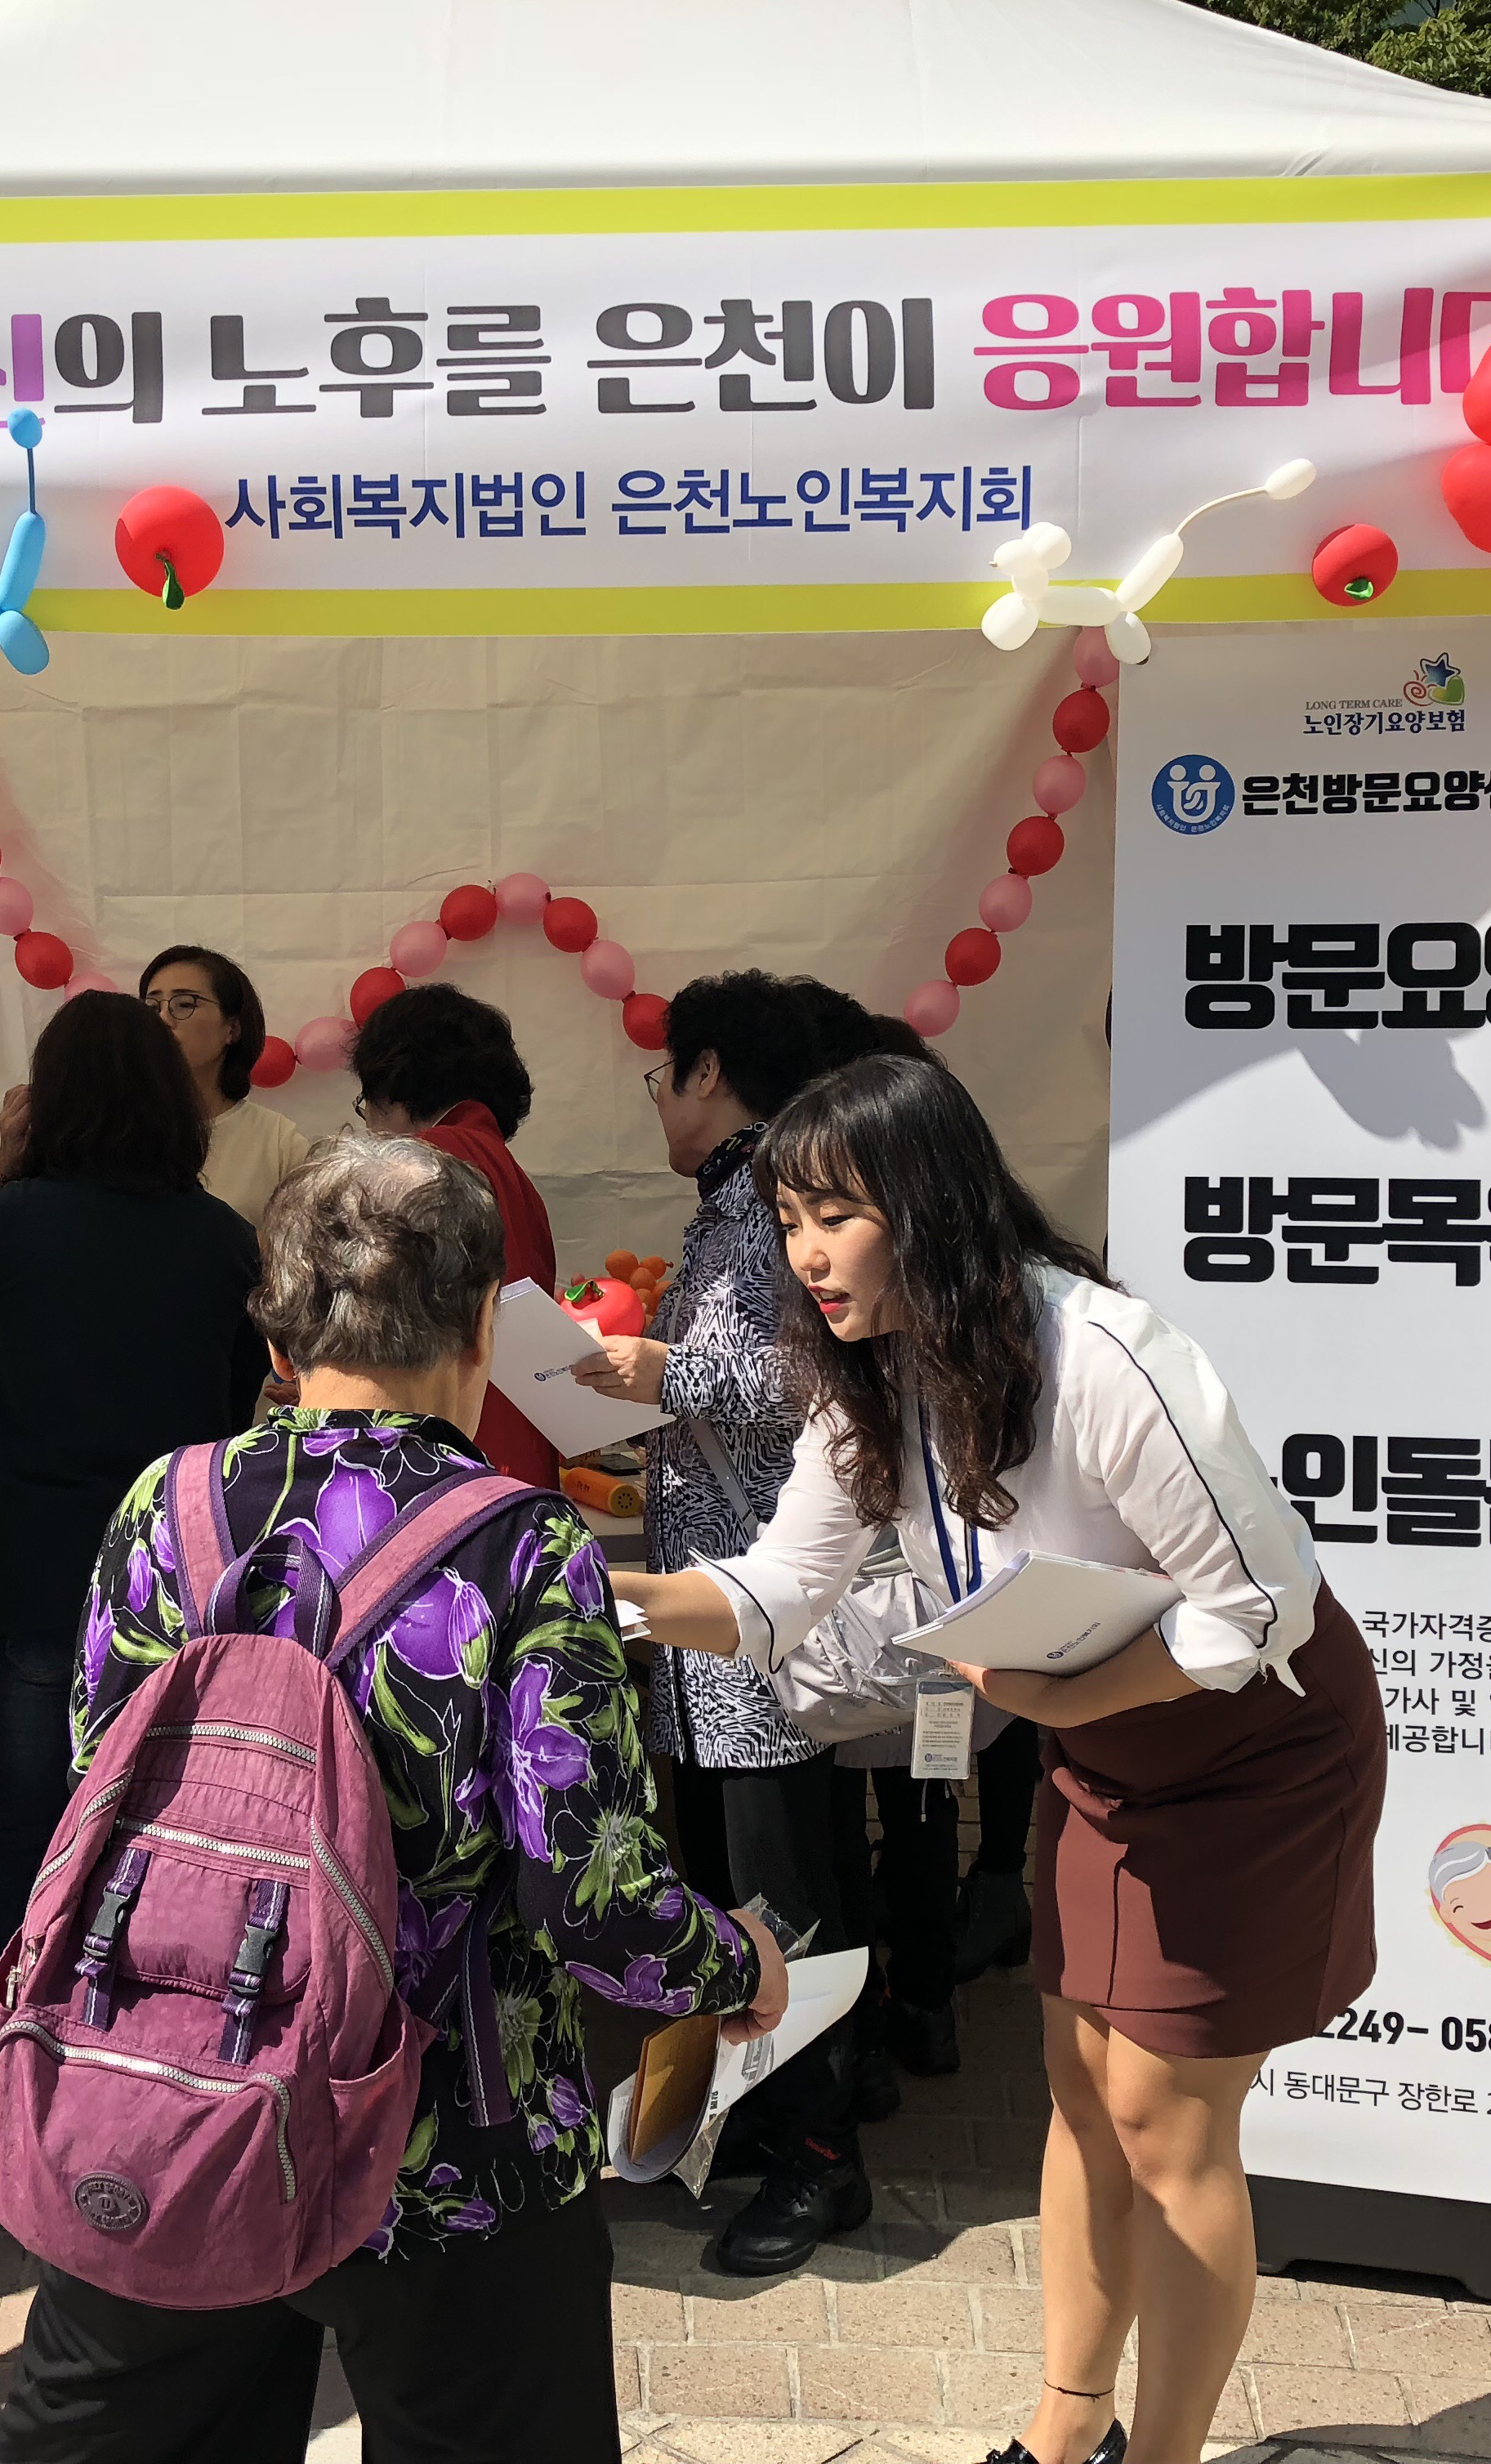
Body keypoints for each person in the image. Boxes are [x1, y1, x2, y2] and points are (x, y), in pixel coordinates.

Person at [614, 1056, 1386, 2464]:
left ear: (927, 1204)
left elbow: (1259, 1609)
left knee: (1165, 2120)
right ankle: (1063, 2430)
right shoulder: (865, 1371)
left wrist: (1050, 1693)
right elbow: (778, 1586)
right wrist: (590, 1596)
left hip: (1256, 1748)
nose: (805, 1255)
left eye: (834, 1216)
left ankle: (1162, 2454)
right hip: (1099, 1737)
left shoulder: (1104, 1354)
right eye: (787, 1221)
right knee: (1080, 2087)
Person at [0, 1134, 785, 2463]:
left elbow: (97, 1783)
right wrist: (732, 1960)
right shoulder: (521, 1543)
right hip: (452, 2143)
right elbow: (587, 1892)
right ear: (483, 1326)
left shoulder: (164, 1504)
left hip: (179, 2097)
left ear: (279, 1326)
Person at [0, 991, 266, 2140]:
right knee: (161, 1840)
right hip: (176, 1576)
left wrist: (8, 1162)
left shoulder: (19, 1219)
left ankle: (3, 2107)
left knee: (20, 1837)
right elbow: (231, 1411)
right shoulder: (219, 1237)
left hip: (37, 1575)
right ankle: (145, 2093)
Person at [565, 969, 875, 2273]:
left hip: (760, 1617)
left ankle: (821, 2160)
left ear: (706, 1073)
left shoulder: (771, 1197)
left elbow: (802, 1370)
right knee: (746, 1884)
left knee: (781, 1890)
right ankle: (766, 2110)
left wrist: (659, 1368)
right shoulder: (742, 1196)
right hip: (724, 1621)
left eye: (664, 1075)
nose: (658, 1101)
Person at [346, 982, 557, 1487]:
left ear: (389, 1083)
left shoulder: (422, 1161)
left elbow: (385, 1309)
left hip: (449, 1452)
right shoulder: (505, 1167)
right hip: (515, 1438)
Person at [139, 943, 313, 1230]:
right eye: (152, 1007)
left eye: (184, 1004)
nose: (163, 1020)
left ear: (232, 1029)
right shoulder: (121, 1131)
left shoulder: (278, 1142)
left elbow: (306, 1248)